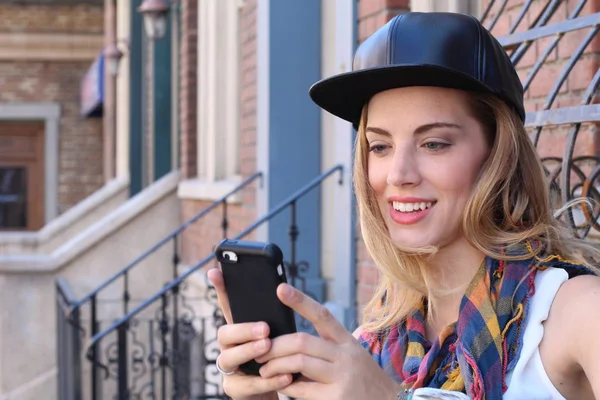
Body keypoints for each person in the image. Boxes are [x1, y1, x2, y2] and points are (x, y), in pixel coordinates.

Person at [207, 12, 600, 400]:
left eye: (434, 143)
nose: (398, 174)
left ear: (500, 155)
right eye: (379, 146)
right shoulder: (375, 344)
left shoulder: (578, 313)